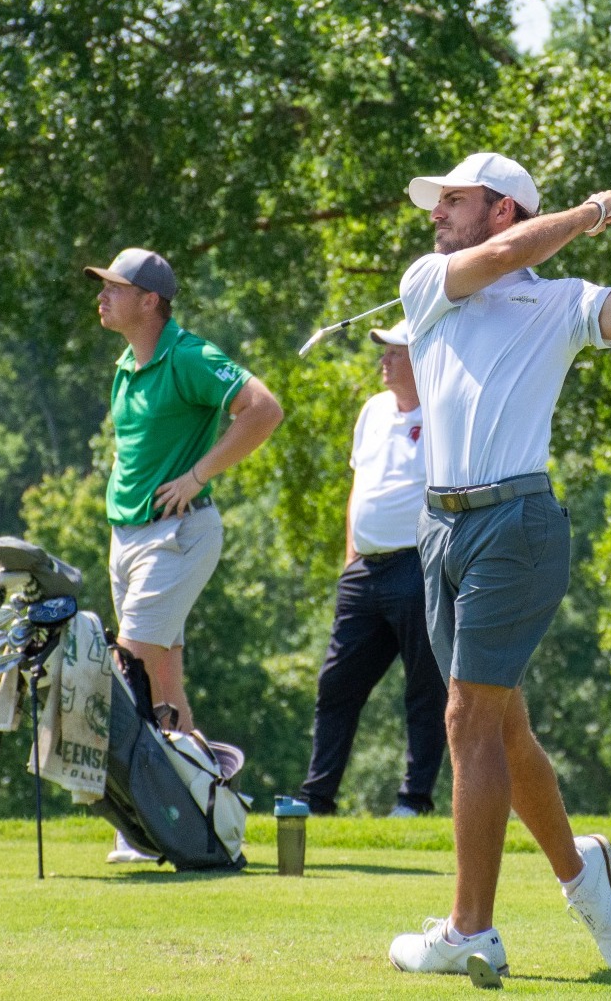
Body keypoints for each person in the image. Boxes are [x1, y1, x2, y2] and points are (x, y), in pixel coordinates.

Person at [385, 153, 611, 980]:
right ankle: (584, 877)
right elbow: (503, 259)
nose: (436, 212)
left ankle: (469, 928)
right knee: (501, 728)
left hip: (517, 521)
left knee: (466, 721)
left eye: (454, 199)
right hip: (438, 528)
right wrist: (597, 210)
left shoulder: (562, 303)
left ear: (502, 208)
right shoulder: (429, 281)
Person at [84, 247, 284, 863]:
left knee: (129, 674)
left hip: (177, 535)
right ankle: (203, 815)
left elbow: (264, 409)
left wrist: (197, 476)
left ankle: (142, 826)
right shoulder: (125, 363)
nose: (103, 296)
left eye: (116, 288)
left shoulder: (190, 355)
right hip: (131, 539)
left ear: (151, 301)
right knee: (163, 686)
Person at [298, 320, 447, 818]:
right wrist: (349, 559)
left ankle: (413, 799)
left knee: (424, 689)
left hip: (417, 566)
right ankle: (317, 797)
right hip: (364, 571)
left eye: (394, 353)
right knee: (337, 684)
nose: (383, 361)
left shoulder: (445, 416)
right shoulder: (374, 410)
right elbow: (358, 489)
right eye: (382, 353)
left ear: (419, 360)